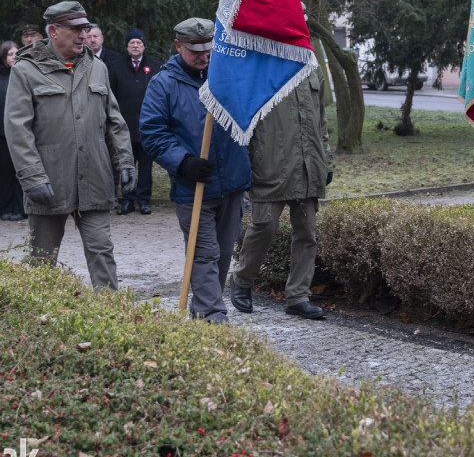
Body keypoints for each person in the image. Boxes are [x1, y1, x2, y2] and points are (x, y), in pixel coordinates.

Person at [5, 1, 134, 291]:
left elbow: (114, 121)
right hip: (49, 180)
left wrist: (125, 160)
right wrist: (32, 177)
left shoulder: (97, 67)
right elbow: (17, 130)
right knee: (42, 259)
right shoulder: (26, 70)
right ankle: (38, 313)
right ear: (53, 31)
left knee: (102, 250)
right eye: (75, 29)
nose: (83, 35)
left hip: (94, 177)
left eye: (85, 28)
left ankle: (110, 310)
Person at [140, 17, 251, 322]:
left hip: (232, 183)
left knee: (224, 253)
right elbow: (152, 132)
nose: (203, 57)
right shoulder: (163, 84)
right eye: (195, 51)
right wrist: (183, 161)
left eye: (208, 50)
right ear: (178, 46)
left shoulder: (226, 76)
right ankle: (213, 317)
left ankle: (203, 310)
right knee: (204, 254)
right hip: (193, 187)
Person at [230, 66, 334, 319]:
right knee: (264, 226)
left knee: (307, 232)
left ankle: (298, 296)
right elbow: (244, 120)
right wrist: (246, 161)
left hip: (308, 164)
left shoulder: (312, 68)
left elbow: (320, 120)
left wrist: (326, 159)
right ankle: (242, 280)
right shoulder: (260, 67)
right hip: (270, 165)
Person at [109, 27, 160, 215]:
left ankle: (144, 200)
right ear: (127, 46)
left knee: (146, 168)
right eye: (132, 43)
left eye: (139, 42)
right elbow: (111, 96)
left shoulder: (155, 66)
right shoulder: (115, 66)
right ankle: (128, 200)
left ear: (144, 46)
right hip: (124, 127)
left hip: (147, 126)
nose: (136, 45)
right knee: (126, 165)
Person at [0, 41, 25, 221]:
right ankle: (6, 207)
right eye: (10, 54)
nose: (14, 57)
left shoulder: (25, 75)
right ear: (3, 57)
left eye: (16, 53)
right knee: (4, 172)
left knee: (21, 170)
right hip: (0, 132)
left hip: (23, 131)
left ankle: (20, 207)